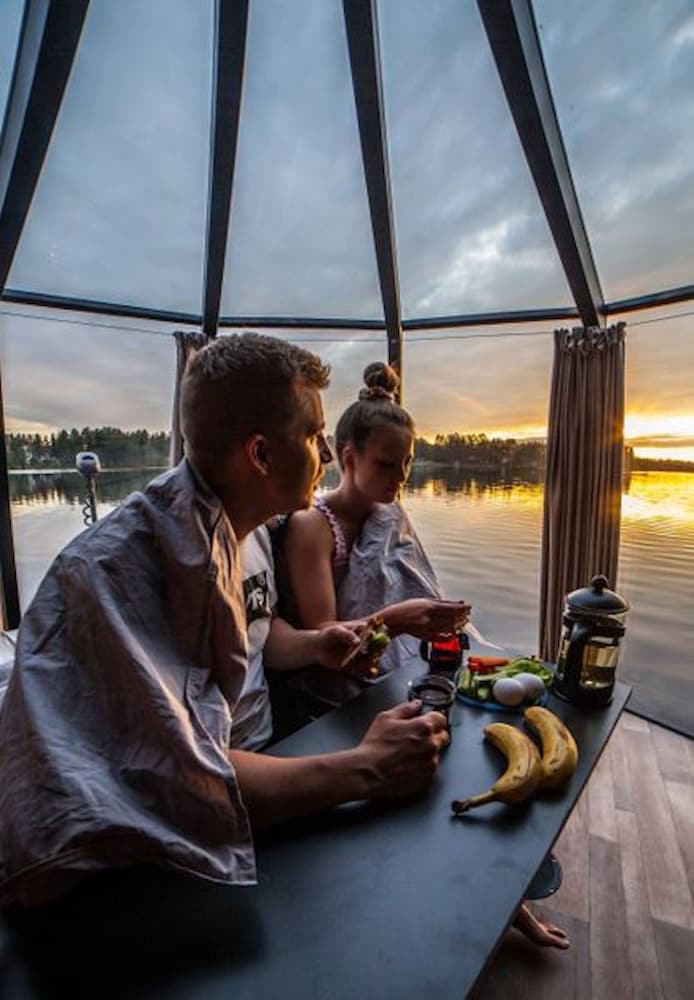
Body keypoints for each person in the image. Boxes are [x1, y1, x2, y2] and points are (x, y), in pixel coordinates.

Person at [0, 334, 449, 908]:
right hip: (157, 851)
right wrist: (366, 768)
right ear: (261, 455)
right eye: (313, 434)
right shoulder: (117, 571)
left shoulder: (252, 525)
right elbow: (180, 782)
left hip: (268, 754)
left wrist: (316, 647)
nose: (326, 452)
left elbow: (262, 634)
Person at [282, 361, 569, 950]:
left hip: (401, 674)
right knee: (450, 763)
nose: (401, 478)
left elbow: (411, 581)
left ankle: (502, 894)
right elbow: (326, 638)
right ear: (347, 456)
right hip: (340, 695)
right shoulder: (313, 526)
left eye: (408, 463)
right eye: (387, 464)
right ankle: (477, 906)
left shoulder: (390, 518)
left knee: (490, 735)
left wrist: (436, 619)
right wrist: (399, 619)